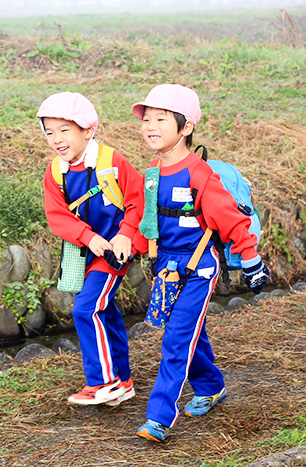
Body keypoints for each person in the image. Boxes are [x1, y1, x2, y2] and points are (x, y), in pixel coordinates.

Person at [131, 84, 270, 441]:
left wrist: (251, 259)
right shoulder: (151, 173)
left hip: (199, 267)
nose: (151, 126)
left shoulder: (200, 174)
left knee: (177, 337)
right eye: (147, 119)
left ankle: (159, 417)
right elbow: (143, 221)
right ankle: (211, 386)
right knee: (190, 331)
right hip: (165, 266)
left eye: (161, 119)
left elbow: (232, 220)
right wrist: (126, 245)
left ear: (186, 127)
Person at [39, 91, 145, 406]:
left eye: (64, 130)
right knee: (106, 311)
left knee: (86, 308)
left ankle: (103, 382)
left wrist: (124, 235)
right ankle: (122, 381)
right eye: (49, 132)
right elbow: (57, 216)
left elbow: (138, 201)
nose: (56, 139)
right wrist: (88, 238)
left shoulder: (112, 162)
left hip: (116, 251)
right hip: (88, 251)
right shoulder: (55, 172)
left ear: (88, 130)